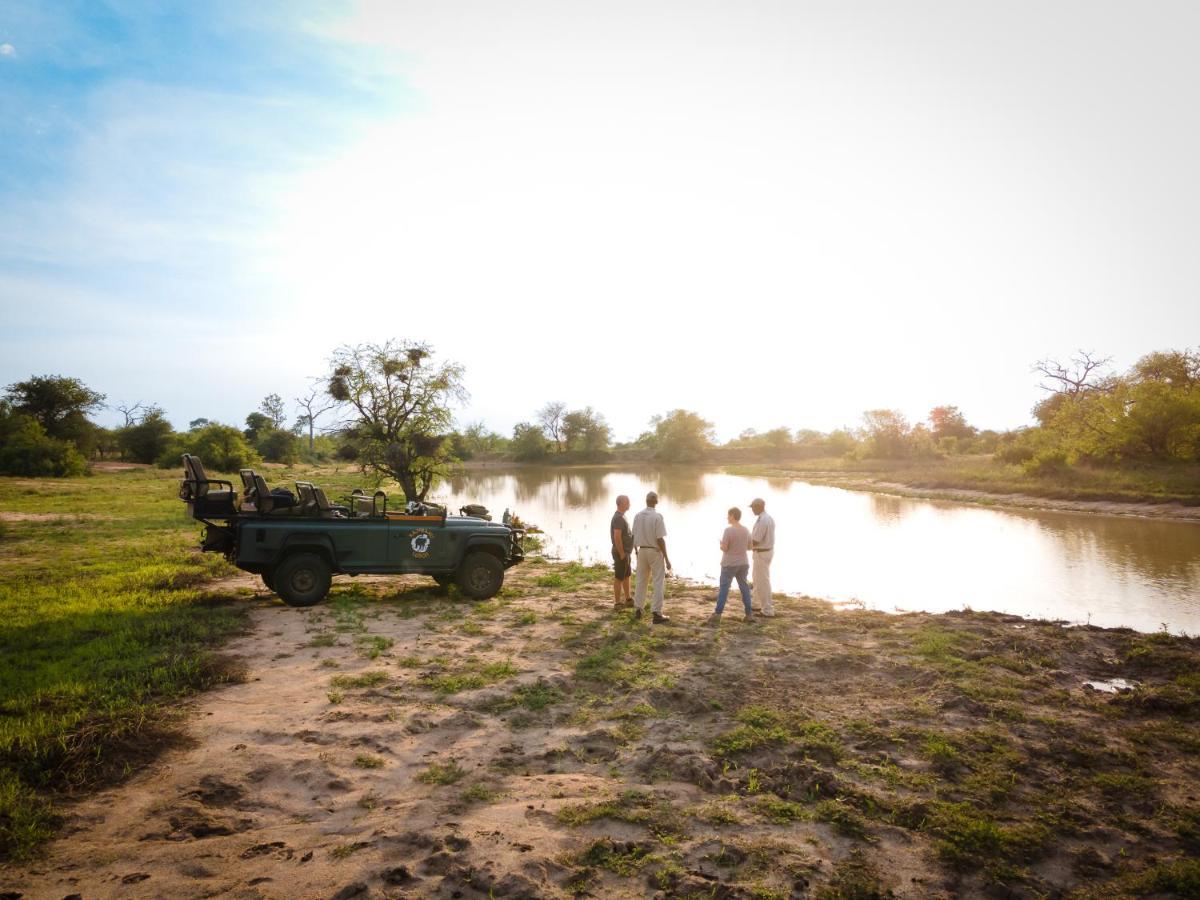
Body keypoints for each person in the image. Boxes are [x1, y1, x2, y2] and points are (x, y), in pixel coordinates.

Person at [706, 506, 753, 625]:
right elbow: (750, 547)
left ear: (732, 516)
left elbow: (725, 548)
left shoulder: (728, 530)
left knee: (724, 589)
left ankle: (717, 614)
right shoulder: (746, 530)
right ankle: (749, 614)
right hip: (743, 563)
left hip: (729, 564)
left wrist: (721, 545)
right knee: (744, 588)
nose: (727, 517)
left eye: (728, 515)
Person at [632, 490, 672, 623]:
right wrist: (666, 558)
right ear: (656, 502)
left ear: (646, 501)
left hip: (642, 550)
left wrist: (637, 552)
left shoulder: (637, 516)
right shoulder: (657, 517)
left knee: (641, 581)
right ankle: (656, 613)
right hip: (654, 551)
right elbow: (660, 539)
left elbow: (634, 535)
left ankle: (638, 609)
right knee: (658, 581)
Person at [749, 497, 776, 617]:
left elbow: (755, 540)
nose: (752, 510)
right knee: (756, 579)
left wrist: (739, 546)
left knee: (763, 582)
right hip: (764, 552)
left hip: (762, 553)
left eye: (753, 507)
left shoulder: (763, 520)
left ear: (759, 506)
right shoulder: (766, 518)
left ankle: (767, 610)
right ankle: (755, 604)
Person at [610, 494, 634, 608]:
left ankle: (628, 599)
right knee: (619, 577)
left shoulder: (622, 516)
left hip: (626, 552)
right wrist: (622, 553)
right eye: (627, 502)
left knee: (627, 575)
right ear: (621, 503)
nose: (629, 504)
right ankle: (617, 602)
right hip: (621, 552)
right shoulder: (618, 518)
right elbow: (617, 536)